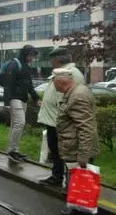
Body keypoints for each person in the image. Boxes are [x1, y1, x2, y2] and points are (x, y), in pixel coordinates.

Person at [52, 68, 99, 215]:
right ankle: (75, 208)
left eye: (52, 81)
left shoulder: (77, 96)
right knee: (75, 181)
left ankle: (79, 211)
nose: (52, 84)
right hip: (73, 147)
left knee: (80, 182)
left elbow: (86, 127)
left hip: (77, 149)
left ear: (59, 82)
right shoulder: (74, 92)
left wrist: (83, 155)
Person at [38, 47, 85, 186]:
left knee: (65, 152)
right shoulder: (62, 71)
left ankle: (69, 183)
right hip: (54, 119)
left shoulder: (71, 73)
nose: (51, 62)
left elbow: (72, 98)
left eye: (52, 59)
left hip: (61, 121)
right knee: (56, 150)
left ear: (57, 59)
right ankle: (57, 176)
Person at [2, 45, 42, 162]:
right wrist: (6, 102)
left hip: (23, 99)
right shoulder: (14, 64)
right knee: (20, 123)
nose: (32, 58)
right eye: (31, 56)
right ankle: (12, 150)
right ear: (25, 54)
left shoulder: (26, 66)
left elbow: (29, 85)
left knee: (16, 125)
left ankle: (14, 150)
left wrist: (36, 99)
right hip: (15, 98)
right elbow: (8, 84)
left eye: (34, 56)